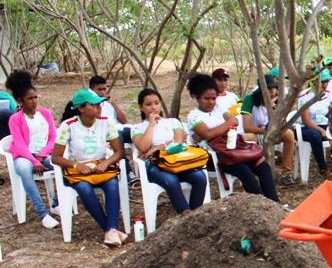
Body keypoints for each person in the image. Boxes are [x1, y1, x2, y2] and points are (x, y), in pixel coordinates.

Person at [186, 73, 279, 202]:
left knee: (264, 168)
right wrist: (223, 126)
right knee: (245, 171)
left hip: (234, 149)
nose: (211, 102)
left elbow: (233, 121)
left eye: (214, 98)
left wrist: (213, 132)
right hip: (216, 157)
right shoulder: (194, 116)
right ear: (197, 97)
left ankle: (274, 203)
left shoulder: (219, 108)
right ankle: (261, 204)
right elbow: (208, 134)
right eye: (207, 98)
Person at [51, 88, 127, 246]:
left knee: (112, 184)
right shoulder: (68, 125)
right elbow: (55, 157)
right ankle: (111, 229)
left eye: (99, 105)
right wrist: (76, 165)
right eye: (94, 105)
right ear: (81, 108)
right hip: (78, 170)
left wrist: (106, 162)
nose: (99, 108)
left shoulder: (106, 122)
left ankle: (111, 229)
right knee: (84, 189)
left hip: (101, 166)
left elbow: (119, 152)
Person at [132, 88, 207, 214]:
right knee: (171, 181)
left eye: (156, 103)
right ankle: (186, 216)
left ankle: (195, 214)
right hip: (155, 164)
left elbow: (177, 143)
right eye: (148, 104)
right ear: (141, 107)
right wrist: (151, 124)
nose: (153, 107)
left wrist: (154, 148)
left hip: (177, 162)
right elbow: (144, 148)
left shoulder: (173, 122)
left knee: (200, 177)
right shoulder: (137, 128)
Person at [5, 70, 59, 229]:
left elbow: (52, 137)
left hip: (44, 154)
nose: (34, 101)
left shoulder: (45, 114)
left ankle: (56, 202)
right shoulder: (15, 119)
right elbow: (20, 144)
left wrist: (42, 155)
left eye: (35, 97)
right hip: (24, 156)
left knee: (60, 164)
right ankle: (43, 213)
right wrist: (34, 160)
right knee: (23, 168)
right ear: (21, 101)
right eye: (30, 98)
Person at [239, 75, 296, 185]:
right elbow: (247, 127)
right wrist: (265, 132)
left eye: (274, 88)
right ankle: (252, 174)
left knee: (289, 134)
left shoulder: (278, 100)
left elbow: (280, 123)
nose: (272, 92)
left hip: (272, 132)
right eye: (269, 89)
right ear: (261, 89)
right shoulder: (249, 99)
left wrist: (273, 107)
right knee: (246, 138)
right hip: (255, 133)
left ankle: (286, 172)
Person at [296, 69, 332, 180]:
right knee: (315, 136)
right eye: (322, 82)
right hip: (306, 127)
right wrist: (322, 131)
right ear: (313, 82)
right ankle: (323, 168)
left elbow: (331, 114)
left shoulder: (328, 95)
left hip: (323, 124)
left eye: (326, 81)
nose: (324, 85)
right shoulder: (305, 95)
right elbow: (306, 121)